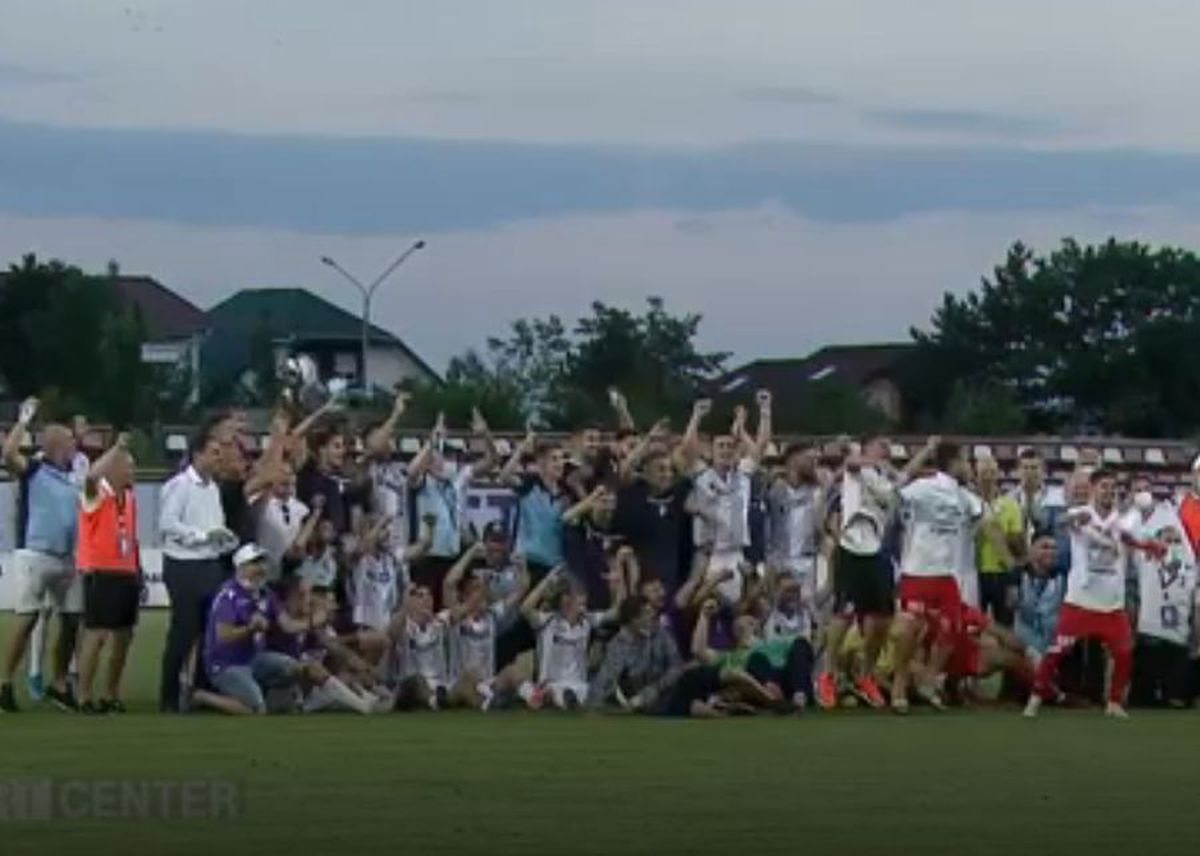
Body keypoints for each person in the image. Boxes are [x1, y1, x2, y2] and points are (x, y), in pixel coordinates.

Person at [1024, 468, 1156, 719]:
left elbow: (1130, 539)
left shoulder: (1120, 520)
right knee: (1056, 651)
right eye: (1103, 486)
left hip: (1111, 603)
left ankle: (1114, 702)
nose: (1109, 491)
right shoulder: (1083, 512)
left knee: (1125, 653)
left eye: (1112, 487)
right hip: (1081, 600)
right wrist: (1073, 521)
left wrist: (1151, 547)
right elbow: (1061, 522)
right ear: (1094, 489)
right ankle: (1036, 697)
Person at [817, 435, 934, 710]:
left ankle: (865, 675)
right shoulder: (859, 469)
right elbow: (852, 461)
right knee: (844, 612)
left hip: (877, 551)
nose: (886, 448)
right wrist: (870, 457)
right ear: (868, 447)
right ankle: (828, 675)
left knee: (881, 618)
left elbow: (905, 473)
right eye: (880, 444)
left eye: (888, 446)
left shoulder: (886, 478)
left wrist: (927, 449)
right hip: (851, 546)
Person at [0, 397, 84, 713]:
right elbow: (8, 455)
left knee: (73, 618)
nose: (73, 446)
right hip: (35, 553)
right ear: (54, 446)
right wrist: (23, 421)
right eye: (68, 442)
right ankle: (5, 682)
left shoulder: (71, 478)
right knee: (27, 618)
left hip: (65, 556)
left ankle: (59, 682)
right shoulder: (34, 469)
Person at [890, 441, 983, 713]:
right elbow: (897, 494)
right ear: (953, 463)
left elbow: (978, 518)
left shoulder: (964, 496)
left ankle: (929, 679)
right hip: (919, 569)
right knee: (909, 629)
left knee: (951, 629)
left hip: (948, 575)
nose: (969, 467)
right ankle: (899, 683)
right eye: (965, 461)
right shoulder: (925, 486)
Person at [158, 428, 237, 713]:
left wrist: (223, 539)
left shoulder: (212, 487)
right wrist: (202, 536)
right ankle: (168, 696)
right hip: (183, 564)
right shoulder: (179, 485)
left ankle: (202, 692)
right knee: (183, 631)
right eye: (215, 453)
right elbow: (167, 523)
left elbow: (214, 522)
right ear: (198, 454)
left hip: (209, 563)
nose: (220, 458)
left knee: (208, 631)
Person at [75, 434, 141, 714]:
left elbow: (130, 536)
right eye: (128, 467)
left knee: (123, 637)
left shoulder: (129, 498)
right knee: (97, 635)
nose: (132, 473)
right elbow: (90, 475)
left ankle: (111, 693)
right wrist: (117, 448)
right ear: (113, 469)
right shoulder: (95, 495)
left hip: (127, 573)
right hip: (101, 572)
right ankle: (84, 695)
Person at [201, 543, 303, 715]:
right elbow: (224, 635)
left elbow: (288, 625)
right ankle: (201, 697)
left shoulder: (265, 593)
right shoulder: (229, 594)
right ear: (241, 567)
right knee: (255, 709)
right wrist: (250, 629)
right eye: (255, 563)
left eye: (263, 563)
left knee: (294, 668)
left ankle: (265, 696)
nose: (262, 568)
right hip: (227, 663)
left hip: (253, 658)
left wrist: (314, 622)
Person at [408, 410, 497, 606]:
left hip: (454, 556)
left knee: (455, 614)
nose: (441, 460)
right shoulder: (423, 482)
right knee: (427, 612)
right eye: (436, 455)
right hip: (429, 557)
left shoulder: (458, 479)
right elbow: (411, 471)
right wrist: (432, 441)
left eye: (445, 456)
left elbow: (491, 461)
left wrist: (485, 435)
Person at [521, 566, 621, 710]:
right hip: (550, 683)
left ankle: (562, 700)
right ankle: (552, 698)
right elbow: (525, 609)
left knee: (592, 689)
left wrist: (617, 587)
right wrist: (545, 582)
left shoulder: (587, 621)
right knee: (554, 691)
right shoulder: (547, 621)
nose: (584, 604)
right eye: (579, 599)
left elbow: (616, 613)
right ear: (565, 599)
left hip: (579, 685)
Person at [442, 552, 530, 710]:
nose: (482, 593)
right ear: (463, 594)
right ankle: (491, 701)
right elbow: (449, 583)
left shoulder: (492, 614)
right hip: (460, 685)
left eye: (483, 589)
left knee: (512, 670)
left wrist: (522, 566)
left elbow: (522, 589)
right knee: (472, 674)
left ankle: (533, 698)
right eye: (476, 589)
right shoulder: (456, 617)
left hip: (487, 683)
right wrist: (472, 551)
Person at [1129, 512, 1198, 708]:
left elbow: (1194, 605)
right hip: (1150, 638)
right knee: (1142, 701)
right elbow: (1140, 539)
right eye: (1168, 540)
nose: (1173, 545)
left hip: (1178, 641)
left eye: (1177, 541)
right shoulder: (1147, 562)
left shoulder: (1190, 571)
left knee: (1177, 702)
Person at [499, 434, 569, 583]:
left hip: (553, 565)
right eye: (554, 459)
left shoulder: (565, 494)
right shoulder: (530, 484)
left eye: (562, 458)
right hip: (527, 562)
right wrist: (521, 450)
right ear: (541, 462)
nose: (560, 463)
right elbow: (504, 476)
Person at [765, 443, 824, 610]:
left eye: (816, 459)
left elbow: (820, 526)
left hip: (806, 561)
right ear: (792, 459)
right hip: (778, 559)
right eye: (809, 458)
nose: (814, 462)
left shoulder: (815, 490)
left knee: (806, 608)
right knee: (774, 609)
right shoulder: (773, 489)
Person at [976, 456, 1024, 625]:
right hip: (974, 573)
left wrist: (1014, 582)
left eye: (991, 472)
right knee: (972, 627)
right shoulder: (968, 503)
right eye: (983, 473)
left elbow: (1018, 548)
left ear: (998, 475)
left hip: (1003, 574)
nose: (987, 477)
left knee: (1005, 625)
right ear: (976, 475)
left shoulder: (1010, 505)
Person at [1013, 529, 1066, 665]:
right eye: (1045, 547)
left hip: (1054, 649)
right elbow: (1008, 612)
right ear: (1031, 549)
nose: (1050, 552)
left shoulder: (1063, 577)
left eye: (1054, 548)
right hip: (1022, 649)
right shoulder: (1016, 576)